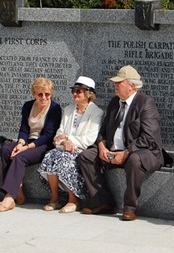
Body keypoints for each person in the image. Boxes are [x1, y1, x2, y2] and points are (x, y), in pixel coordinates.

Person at [77, 65, 163, 221]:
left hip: (142, 152)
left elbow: (148, 138)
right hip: (113, 151)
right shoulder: (115, 102)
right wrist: (102, 146)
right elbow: (102, 131)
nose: (115, 86)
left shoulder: (145, 103)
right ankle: (103, 202)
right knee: (86, 156)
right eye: (115, 83)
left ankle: (130, 207)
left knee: (134, 160)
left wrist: (126, 152)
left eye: (119, 83)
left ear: (132, 86)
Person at [38, 76, 103, 213]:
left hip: (82, 149)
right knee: (51, 155)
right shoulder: (68, 110)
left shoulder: (96, 112)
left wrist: (69, 139)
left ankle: (73, 200)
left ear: (88, 93)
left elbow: (90, 138)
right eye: (73, 90)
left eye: (78, 91)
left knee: (67, 159)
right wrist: (63, 141)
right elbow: (59, 132)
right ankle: (55, 198)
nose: (74, 94)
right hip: (63, 147)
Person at [0, 76, 62, 212]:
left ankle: (10, 197)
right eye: (40, 94)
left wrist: (25, 148)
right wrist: (20, 143)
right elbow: (24, 129)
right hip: (27, 141)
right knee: (5, 149)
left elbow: (48, 136)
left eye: (47, 94)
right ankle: (18, 190)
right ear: (34, 94)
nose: (44, 97)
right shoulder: (28, 106)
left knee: (19, 157)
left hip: (43, 145)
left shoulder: (55, 108)